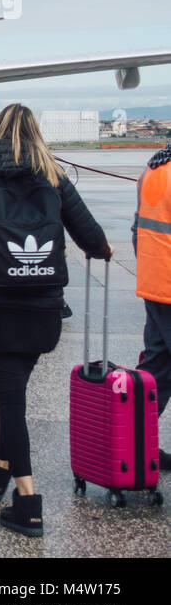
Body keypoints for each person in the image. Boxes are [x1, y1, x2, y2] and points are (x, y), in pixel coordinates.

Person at [0, 104, 111, 538]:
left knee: (11, 403)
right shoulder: (53, 177)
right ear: (35, 133)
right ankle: (0, 467)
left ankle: (27, 502)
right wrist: (102, 252)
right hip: (43, 307)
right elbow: (93, 238)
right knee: (13, 396)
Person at [133, 140, 171, 473]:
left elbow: (138, 229)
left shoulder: (154, 168)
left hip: (154, 283)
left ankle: (134, 443)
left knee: (159, 367)